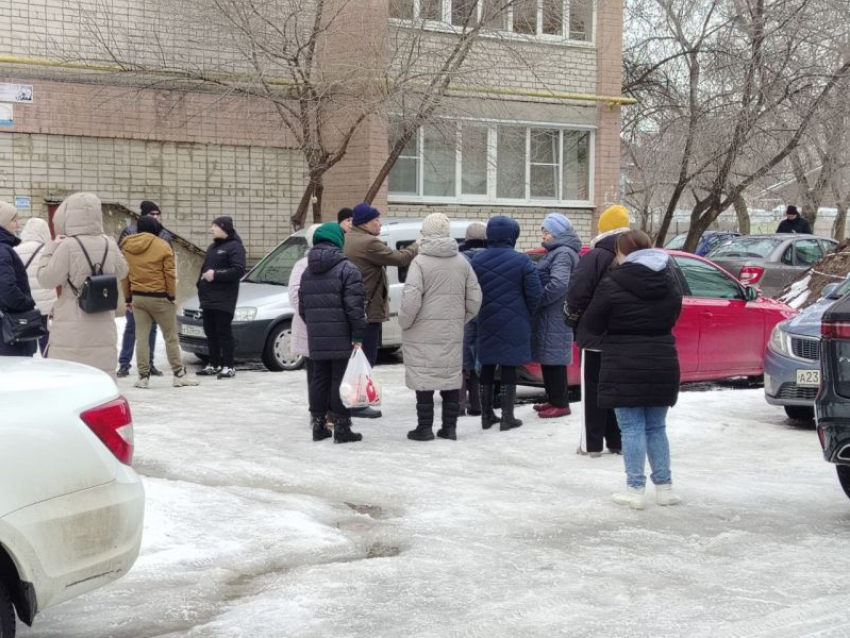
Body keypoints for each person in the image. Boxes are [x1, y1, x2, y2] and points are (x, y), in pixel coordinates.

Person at [579, 230, 684, 509]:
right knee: (657, 427)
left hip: (622, 360)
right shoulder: (670, 278)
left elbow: (592, 323)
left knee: (632, 428)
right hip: (662, 358)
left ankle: (635, 489)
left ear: (622, 252)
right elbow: (675, 314)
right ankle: (665, 488)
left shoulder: (613, 281)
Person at [399, 213, 482, 441]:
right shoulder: (461, 262)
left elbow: (411, 299)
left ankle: (424, 428)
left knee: (423, 377)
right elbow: (475, 298)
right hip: (451, 331)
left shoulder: (419, 262)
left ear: (426, 233)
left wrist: (405, 322)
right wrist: (460, 319)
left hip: (420, 331)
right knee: (450, 377)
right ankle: (449, 428)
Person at [37, 192, 128, 377]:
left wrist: (50, 248)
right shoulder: (109, 243)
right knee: (100, 378)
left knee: (72, 378)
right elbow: (123, 271)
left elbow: (46, 279)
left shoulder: (67, 246)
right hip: (103, 322)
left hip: (73, 322)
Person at [344, 202, 418, 418]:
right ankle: (357, 404)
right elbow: (400, 258)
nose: (379, 224)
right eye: (376, 220)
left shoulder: (348, 238)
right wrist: (417, 244)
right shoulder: (368, 243)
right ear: (365, 223)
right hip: (367, 310)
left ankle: (345, 401)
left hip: (354, 309)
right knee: (365, 357)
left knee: (354, 357)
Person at [566, 204, 629, 457]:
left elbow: (577, 293)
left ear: (603, 228)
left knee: (592, 389)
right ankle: (617, 441)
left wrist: (573, 320)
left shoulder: (595, 256)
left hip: (595, 335)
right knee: (617, 390)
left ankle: (591, 444)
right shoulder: (636, 254)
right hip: (625, 336)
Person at [472, 216, 542, 431]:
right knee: (509, 365)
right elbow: (535, 294)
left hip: (485, 319)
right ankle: (507, 417)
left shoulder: (476, 260)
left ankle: (486, 415)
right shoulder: (522, 261)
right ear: (512, 235)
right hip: (515, 321)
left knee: (487, 363)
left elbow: (470, 292)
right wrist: (529, 315)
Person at [299, 222, 367, 443]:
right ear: (338, 240)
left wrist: (316, 325)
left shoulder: (307, 271)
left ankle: (318, 425)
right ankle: (342, 427)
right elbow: (355, 308)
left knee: (319, 378)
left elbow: (302, 307)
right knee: (340, 379)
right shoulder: (348, 269)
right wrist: (358, 335)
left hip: (317, 335)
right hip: (342, 335)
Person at [121, 215, 198, 389]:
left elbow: (124, 275)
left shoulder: (127, 246)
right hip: (160, 297)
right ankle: (178, 375)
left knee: (141, 337)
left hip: (138, 297)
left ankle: (143, 377)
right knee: (170, 337)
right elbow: (169, 274)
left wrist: (128, 298)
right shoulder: (162, 246)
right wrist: (171, 296)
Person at [532, 213, 581, 419]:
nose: (543, 235)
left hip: (555, 314)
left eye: (546, 231)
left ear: (557, 233)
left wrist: (539, 300)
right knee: (549, 357)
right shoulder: (555, 252)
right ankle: (553, 399)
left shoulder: (562, 253)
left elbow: (559, 284)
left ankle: (561, 404)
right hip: (550, 314)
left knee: (554, 360)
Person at [117, 201, 173, 378]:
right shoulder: (129, 233)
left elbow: (169, 266)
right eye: (152, 214)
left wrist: (168, 291)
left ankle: (149, 364)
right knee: (132, 327)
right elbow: (122, 262)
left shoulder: (164, 234)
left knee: (152, 329)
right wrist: (127, 294)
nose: (155, 217)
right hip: (136, 288)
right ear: (144, 216)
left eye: (157, 214)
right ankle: (124, 364)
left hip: (156, 290)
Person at [196, 216, 247, 379]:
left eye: (215, 226)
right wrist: (200, 284)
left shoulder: (235, 247)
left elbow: (238, 270)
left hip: (224, 298)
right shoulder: (212, 247)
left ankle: (229, 366)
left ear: (224, 228)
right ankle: (214, 363)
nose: (212, 229)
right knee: (210, 331)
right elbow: (205, 269)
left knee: (223, 331)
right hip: (208, 297)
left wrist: (216, 275)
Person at [0, 202, 38, 357]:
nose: (18, 225)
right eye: (14, 220)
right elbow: (6, 288)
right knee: (16, 367)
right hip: (8, 327)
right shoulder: (2, 250)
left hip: (5, 326)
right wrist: (27, 303)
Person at [14, 217, 56, 355]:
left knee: (25, 335)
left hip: (25, 303)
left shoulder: (15, 250)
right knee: (46, 335)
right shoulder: (48, 251)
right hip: (45, 304)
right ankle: (46, 358)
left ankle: (27, 360)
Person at [288, 224, 320, 397]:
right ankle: (319, 410)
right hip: (310, 329)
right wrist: (313, 318)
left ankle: (330, 409)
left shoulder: (342, 262)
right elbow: (295, 296)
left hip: (332, 331)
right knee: (315, 374)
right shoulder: (302, 265)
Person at [459, 222, 487, 416]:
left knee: (461, 361)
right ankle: (477, 405)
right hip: (485, 312)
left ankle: (459, 404)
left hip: (463, 313)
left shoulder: (458, 259)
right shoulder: (490, 257)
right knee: (479, 358)